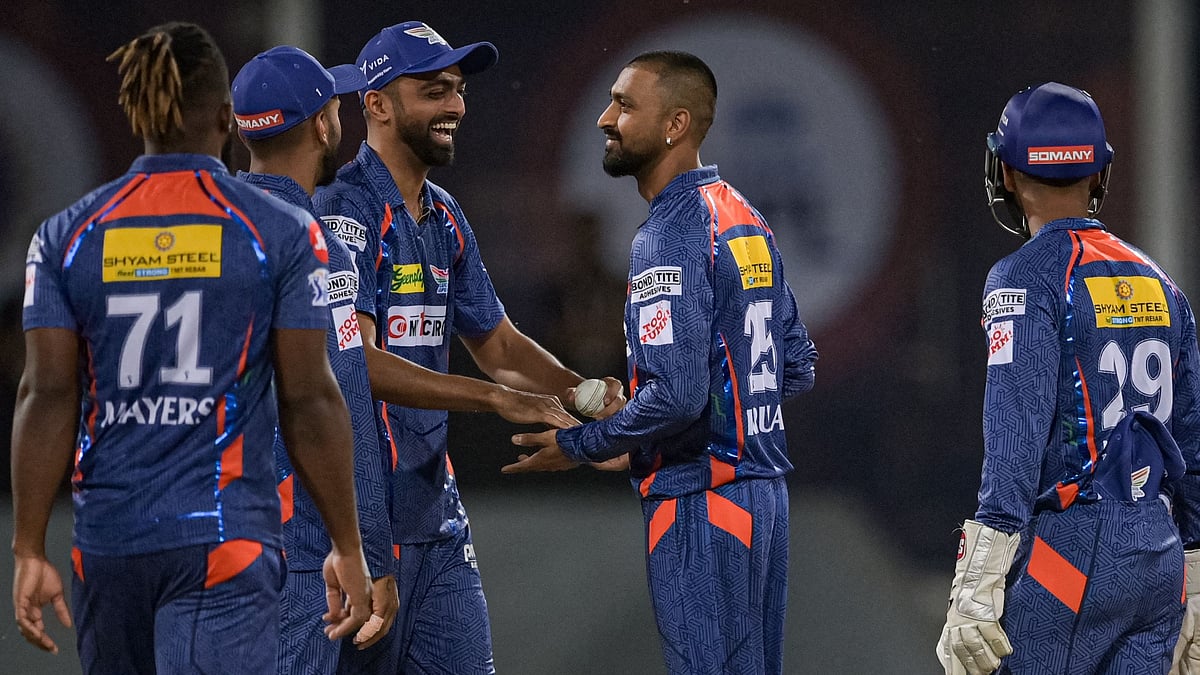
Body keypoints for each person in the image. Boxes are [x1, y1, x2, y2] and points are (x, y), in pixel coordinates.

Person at [11, 22, 372, 673]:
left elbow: (46, 393)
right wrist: (347, 541)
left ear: (136, 112)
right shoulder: (279, 232)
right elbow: (311, 397)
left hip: (108, 542)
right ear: (227, 118)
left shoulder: (64, 236)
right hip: (221, 536)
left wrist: (29, 547)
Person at [314, 21, 621, 673]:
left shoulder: (444, 214)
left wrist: (586, 399)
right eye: (433, 90)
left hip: (437, 521)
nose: (455, 104)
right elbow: (357, 364)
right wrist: (497, 399)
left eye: (456, 89)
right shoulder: (345, 213)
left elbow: (500, 343)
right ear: (376, 104)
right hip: (361, 525)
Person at [505, 51, 818, 675]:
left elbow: (676, 397)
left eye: (624, 105)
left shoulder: (668, 234)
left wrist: (583, 445)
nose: (604, 118)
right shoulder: (743, 216)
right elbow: (798, 363)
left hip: (701, 502)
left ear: (675, 125)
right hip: (763, 501)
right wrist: (674, 433)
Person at [936, 82, 1200, 675]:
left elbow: (1016, 433)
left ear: (1005, 172)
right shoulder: (1162, 284)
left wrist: (979, 580)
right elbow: (1192, 442)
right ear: (1099, 173)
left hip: (1072, 552)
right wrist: (1198, 576)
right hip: (1159, 554)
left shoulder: (1022, 278)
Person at [231, 45, 398, 672]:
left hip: (201, 541)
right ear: (323, 124)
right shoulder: (313, 240)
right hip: (297, 554)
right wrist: (368, 552)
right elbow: (343, 397)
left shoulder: (212, 230)